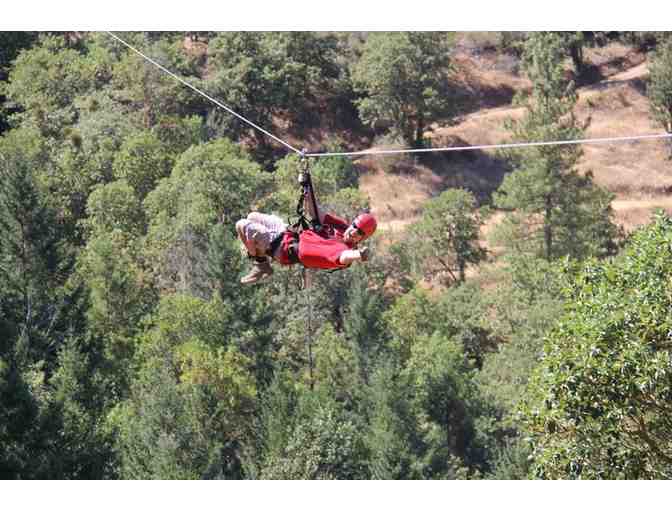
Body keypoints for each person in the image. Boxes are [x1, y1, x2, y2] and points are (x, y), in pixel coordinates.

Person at [235, 172, 377, 285]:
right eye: (354, 226)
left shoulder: (344, 250)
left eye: (359, 232)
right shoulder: (341, 226)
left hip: (281, 249)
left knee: (241, 225)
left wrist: (359, 255)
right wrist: (306, 186)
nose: (352, 231)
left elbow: (345, 257)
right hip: (286, 234)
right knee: (252, 216)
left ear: (362, 238)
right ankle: (255, 250)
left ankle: (260, 263)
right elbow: (316, 212)